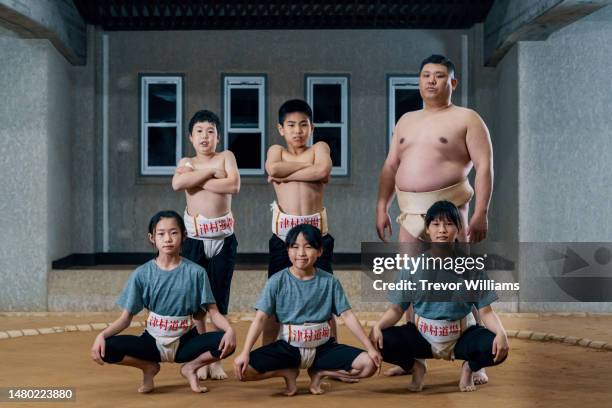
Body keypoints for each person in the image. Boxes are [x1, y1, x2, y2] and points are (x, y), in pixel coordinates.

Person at [376, 54, 493, 382]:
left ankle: (476, 359)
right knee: (412, 281)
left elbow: (485, 166)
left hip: (451, 211)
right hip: (409, 211)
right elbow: (390, 166)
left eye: (439, 76)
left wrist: (481, 211)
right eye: (426, 75)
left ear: (452, 83)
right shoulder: (405, 121)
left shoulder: (467, 118)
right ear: (419, 81)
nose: (431, 81)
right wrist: (381, 205)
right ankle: (412, 357)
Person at [90, 211, 236, 394]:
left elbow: (213, 312)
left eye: (174, 233)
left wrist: (229, 329)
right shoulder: (142, 274)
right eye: (161, 234)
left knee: (227, 342)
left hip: (186, 343)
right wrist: (101, 336)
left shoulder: (197, 273)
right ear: (152, 238)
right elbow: (125, 318)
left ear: (184, 235)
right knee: (106, 348)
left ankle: (190, 367)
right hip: (151, 342)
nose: (167, 239)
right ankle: (148, 367)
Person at [370, 201, 509, 392]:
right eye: (435, 224)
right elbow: (396, 308)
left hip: (462, 337)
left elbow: (486, 312)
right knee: (380, 339)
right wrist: (378, 326)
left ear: (459, 228)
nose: (442, 230)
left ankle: (469, 368)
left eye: (449, 224)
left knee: (496, 347)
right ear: (427, 229)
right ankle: (416, 367)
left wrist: (501, 333)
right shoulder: (412, 267)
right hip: (422, 337)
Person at [234, 224, 381, 395]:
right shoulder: (276, 281)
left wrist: (370, 348)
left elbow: (347, 315)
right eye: (294, 247)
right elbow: (260, 319)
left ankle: (320, 373)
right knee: (242, 370)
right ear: (288, 250)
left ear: (319, 251)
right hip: (288, 348)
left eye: (308, 246)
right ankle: (287, 372)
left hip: (323, 348)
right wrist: (245, 352)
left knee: (369, 364)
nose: (301, 253)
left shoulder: (330, 282)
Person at [172, 110, 240, 380]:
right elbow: (178, 183)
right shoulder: (186, 161)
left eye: (210, 131)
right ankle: (201, 360)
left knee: (219, 303)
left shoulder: (227, 157)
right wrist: (213, 174)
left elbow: (234, 185)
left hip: (223, 239)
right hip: (196, 240)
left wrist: (199, 177)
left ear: (218, 136)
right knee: (197, 305)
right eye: (199, 131)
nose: (205, 136)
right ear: (190, 137)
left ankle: (216, 359)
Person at [263, 99, 334, 345]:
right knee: (274, 296)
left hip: (317, 235)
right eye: (291, 125)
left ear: (311, 128)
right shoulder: (276, 150)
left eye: (303, 125)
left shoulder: (319, 148)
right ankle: (266, 354)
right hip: (284, 237)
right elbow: (272, 166)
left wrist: (285, 172)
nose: (297, 130)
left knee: (326, 294)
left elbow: (322, 171)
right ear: (281, 128)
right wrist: (307, 167)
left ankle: (330, 355)